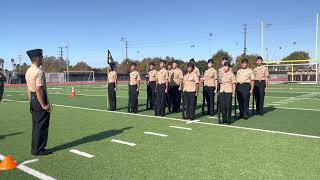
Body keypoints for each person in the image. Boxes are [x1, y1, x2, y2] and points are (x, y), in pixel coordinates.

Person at [25, 49, 52, 155]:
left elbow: (28, 89)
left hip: (33, 98)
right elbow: (39, 89)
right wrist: (44, 105)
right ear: (37, 58)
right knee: (41, 125)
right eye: (41, 57)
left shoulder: (28, 71)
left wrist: (31, 102)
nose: (42, 59)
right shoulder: (38, 72)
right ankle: (39, 149)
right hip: (39, 98)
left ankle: (35, 148)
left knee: (36, 125)